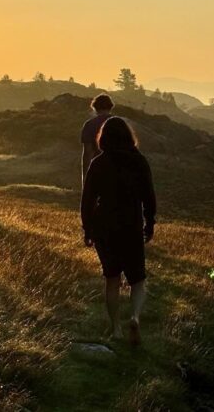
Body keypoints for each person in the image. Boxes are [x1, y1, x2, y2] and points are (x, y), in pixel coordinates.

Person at [81, 117, 156, 346]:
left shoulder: (98, 163)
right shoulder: (139, 161)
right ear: (128, 136)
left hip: (104, 226)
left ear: (103, 138)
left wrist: (88, 229)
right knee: (138, 279)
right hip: (130, 225)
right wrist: (149, 222)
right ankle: (134, 317)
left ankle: (116, 329)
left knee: (112, 279)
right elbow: (148, 196)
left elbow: (87, 200)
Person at [81, 93, 114, 183]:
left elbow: (88, 153)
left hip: (98, 169)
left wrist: (85, 179)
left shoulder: (90, 125)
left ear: (95, 108)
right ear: (110, 107)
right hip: (117, 170)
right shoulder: (120, 124)